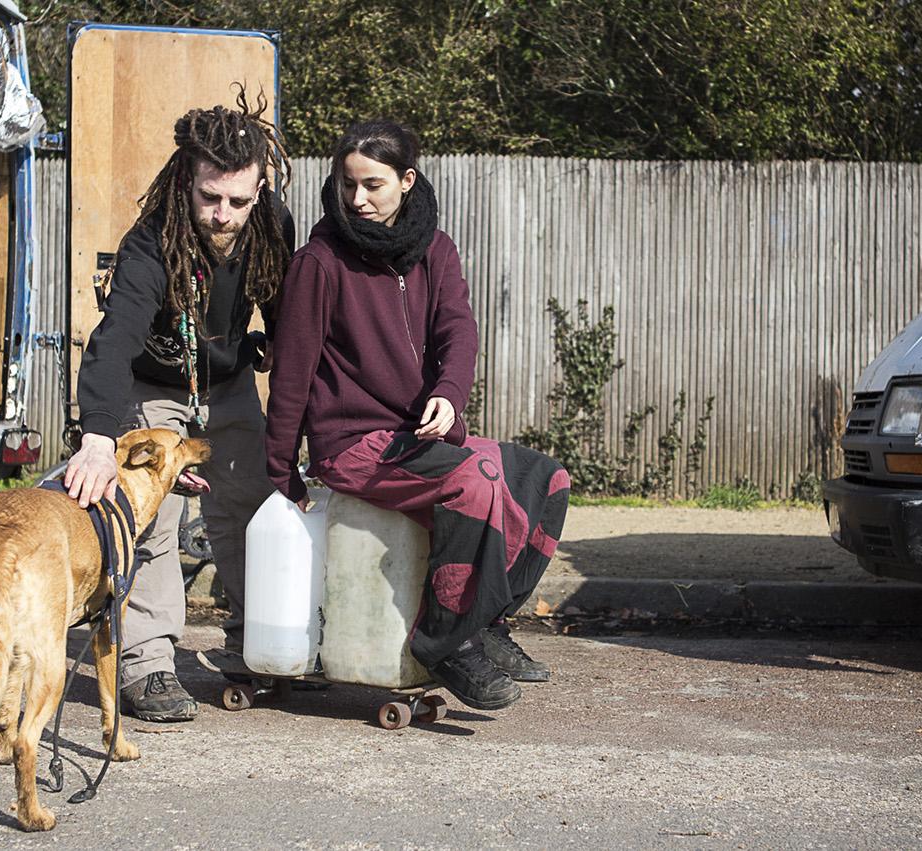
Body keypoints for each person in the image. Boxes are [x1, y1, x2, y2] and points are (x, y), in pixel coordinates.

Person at [264, 120, 570, 710]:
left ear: (407, 180)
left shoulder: (435, 248)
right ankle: (447, 641)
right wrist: (282, 473)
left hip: (418, 436)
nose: (358, 199)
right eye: (348, 184)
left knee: (544, 479)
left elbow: (458, 329)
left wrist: (450, 394)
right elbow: (292, 375)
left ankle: (487, 621)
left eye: (373, 185)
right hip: (352, 444)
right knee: (475, 481)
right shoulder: (319, 262)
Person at [67, 89, 294, 722]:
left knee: (251, 509)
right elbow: (114, 340)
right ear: (186, 180)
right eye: (210, 197)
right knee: (154, 522)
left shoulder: (270, 225)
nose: (223, 215)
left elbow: (283, 304)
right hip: (155, 389)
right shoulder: (150, 244)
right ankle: (147, 666)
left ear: (259, 189)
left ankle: (261, 646)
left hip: (227, 384)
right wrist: (98, 439)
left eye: (239, 201)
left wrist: (279, 347)